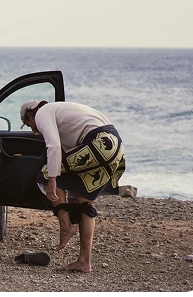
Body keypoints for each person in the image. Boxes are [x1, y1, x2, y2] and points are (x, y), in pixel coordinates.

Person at [20, 98, 126, 276]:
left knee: (46, 173)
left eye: (28, 124)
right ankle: (84, 262)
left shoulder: (43, 113)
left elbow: (53, 147)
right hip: (115, 147)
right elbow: (73, 156)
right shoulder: (65, 112)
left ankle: (66, 226)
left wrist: (52, 179)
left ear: (31, 115)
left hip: (99, 143)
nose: (33, 130)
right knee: (85, 205)